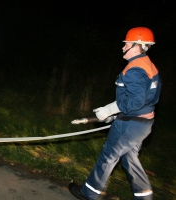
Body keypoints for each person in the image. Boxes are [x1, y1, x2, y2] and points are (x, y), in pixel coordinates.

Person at [68, 27, 161, 200]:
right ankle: (144, 197)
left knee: (108, 156)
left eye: (126, 44)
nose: (123, 47)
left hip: (130, 124)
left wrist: (110, 110)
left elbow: (135, 102)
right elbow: (143, 99)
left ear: (137, 45)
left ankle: (88, 193)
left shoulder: (134, 70)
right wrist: (115, 112)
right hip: (143, 123)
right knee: (129, 158)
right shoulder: (147, 64)